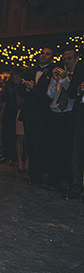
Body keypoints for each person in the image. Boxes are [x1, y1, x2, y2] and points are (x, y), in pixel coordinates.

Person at [18, 47, 54, 185]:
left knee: (39, 145)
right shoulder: (30, 71)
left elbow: (48, 94)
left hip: (42, 115)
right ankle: (32, 174)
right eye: (42, 53)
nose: (43, 56)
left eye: (47, 54)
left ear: (51, 58)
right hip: (29, 113)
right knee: (30, 144)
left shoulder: (52, 72)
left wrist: (33, 89)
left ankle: (38, 175)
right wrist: (27, 87)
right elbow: (20, 90)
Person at [46, 49, 77, 191]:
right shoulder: (59, 76)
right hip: (55, 115)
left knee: (66, 150)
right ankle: (53, 179)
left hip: (68, 116)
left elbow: (72, 94)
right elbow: (50, 94)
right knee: (54, 149)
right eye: (64, 58)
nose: (66, 61)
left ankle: (66, 181)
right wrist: (54, 80)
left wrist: (65, 79)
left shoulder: (75, 77)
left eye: (69, 58)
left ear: (76, 59)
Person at [64, 51, 84, 202]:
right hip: (81, 112)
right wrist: (78, 89)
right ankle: (76, 186)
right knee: (77, 150)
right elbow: (71, 92)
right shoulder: (81, 66)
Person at [0, 67, 22, 165]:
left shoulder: (21, 84)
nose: (13, 76)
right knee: (6, 132)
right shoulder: (8, 84)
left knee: (14, 134)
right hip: (8, 109)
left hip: (17, 110)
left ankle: (14, 157)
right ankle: (6, 154)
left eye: (15, 74)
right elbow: (3, 98)